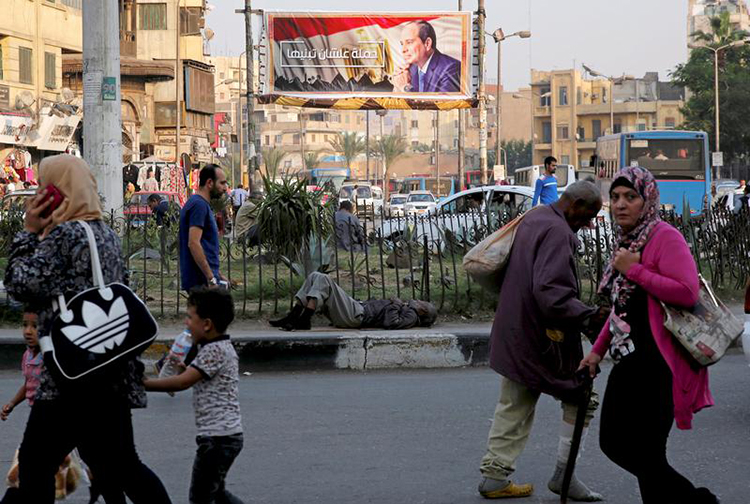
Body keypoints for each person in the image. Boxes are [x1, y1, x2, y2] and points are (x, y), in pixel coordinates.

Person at [3, 154, 171, 503]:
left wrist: (28, 233)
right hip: (109, 368)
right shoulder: (104, 233)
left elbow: (20, 285)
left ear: (56, 192)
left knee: (35, 464)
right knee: (123, 463)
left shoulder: (63, 236)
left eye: (43, 186)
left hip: (71, 375)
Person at [579, 166, 717, 504]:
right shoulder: (626, 242)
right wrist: (596, 352)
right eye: (615, 197)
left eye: (630, 197)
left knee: (646, 452)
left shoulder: (664, 237)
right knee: (615, 443)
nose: (621, 204)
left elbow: (686, 292)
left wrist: (635, 270)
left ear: (647, 200)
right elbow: (621, 309)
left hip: (660, 366)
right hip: (629, 362)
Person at [478, 181, 606, 501]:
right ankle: (564, 476)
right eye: (587, 215)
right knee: (581, 396)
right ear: (574, 204)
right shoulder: (559, 233)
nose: (588, 224)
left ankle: (495, 475)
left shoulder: (535, 217)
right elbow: (551, 294)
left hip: (515, 327)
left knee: (515, 400)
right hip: (542, 335)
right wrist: (589, 316)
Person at [145, 287, 245, 504]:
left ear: (207, 324)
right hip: (226, 436)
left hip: (217, 438)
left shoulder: (213, 351)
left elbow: (183, 382)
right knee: (215, 493)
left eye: (190, 317)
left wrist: (145, 384)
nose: (186, 323)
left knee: (200, 496)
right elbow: (194, 377)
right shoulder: (220, 347)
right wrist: (183, 368)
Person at [270, 271, 438, 331]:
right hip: (357, 308)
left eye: (421, 303)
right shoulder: (409, 309)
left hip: (358, 315)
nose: (417, 300)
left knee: (325, 279)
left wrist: (395, 303)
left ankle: (304, 319)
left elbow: (391, 323)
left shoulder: (411, 315)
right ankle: (294, 316)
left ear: (423, 311)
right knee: (315, 276)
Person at [179, 164, 228, 291]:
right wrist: (211, 278)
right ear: (210, 183)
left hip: (204, 279)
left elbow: (204, 244)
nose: (225, 188)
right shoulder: (199, 205)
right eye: (222, 183)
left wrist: (218, 275)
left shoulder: (200, 204)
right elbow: (193, 243)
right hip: (201, 281)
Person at [392, 20, 461, 93]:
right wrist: (397, 85)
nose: (403, 50)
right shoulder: (410, 69)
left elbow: (442, 104)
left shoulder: (451, 69)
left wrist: (405, 88)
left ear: (427, 43)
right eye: (402, 44)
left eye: (409, 42)